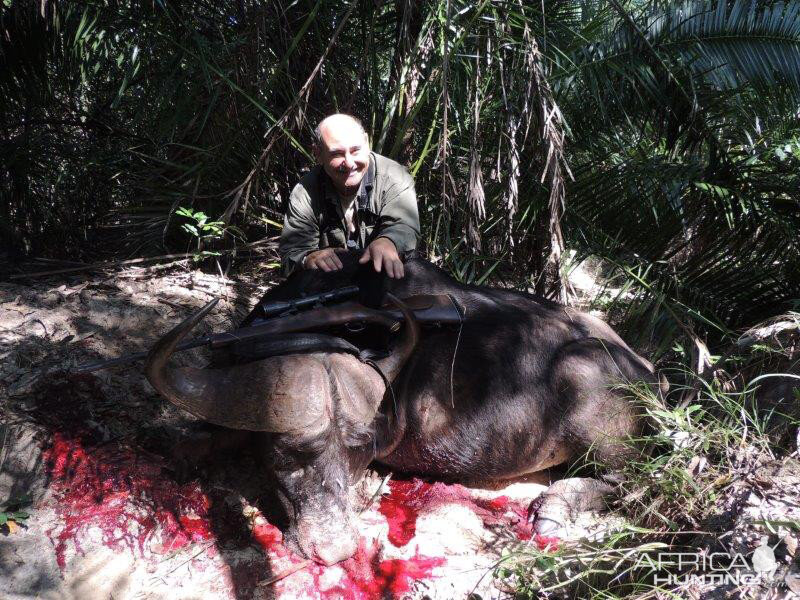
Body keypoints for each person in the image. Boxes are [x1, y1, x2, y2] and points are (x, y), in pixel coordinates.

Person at [278, 114, 420, 279]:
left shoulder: (395, 177)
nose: (350, 163)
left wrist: (389, 242)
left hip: (384, 278)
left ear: (367, 143)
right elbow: (291, 253)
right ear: (318, 154)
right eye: (337, 154)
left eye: (355, 150)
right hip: (331, 283)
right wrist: (307, 259)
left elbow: (405, 227)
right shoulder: (305, 193)